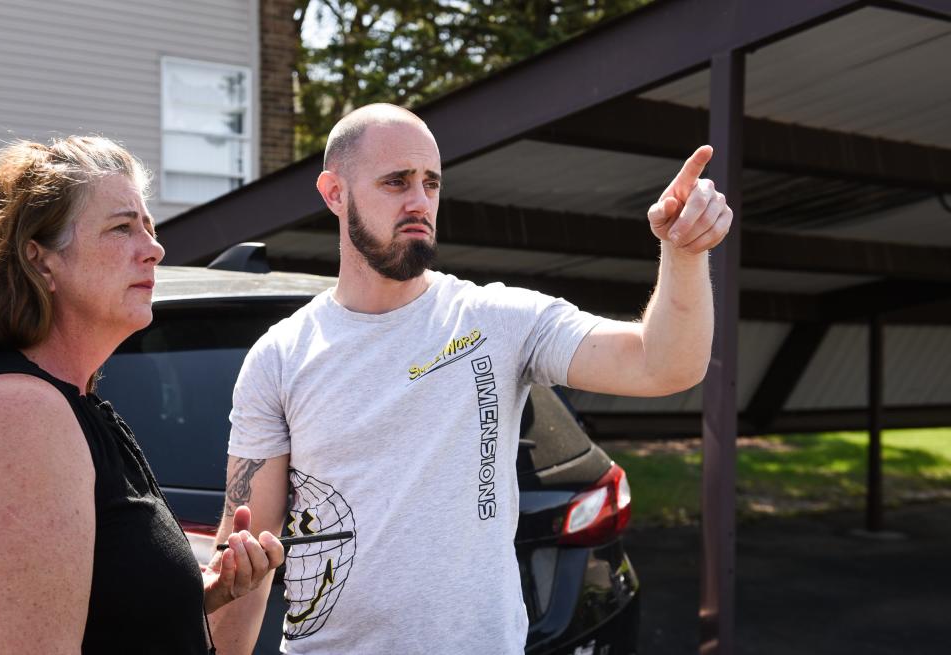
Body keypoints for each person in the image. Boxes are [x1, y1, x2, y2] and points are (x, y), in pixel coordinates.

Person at [209, 103, 732, 654]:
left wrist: (684, 253)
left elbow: (663, 364)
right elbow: (244, 552)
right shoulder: (281, 357)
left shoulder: (497, 319)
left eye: (431, 183)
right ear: (335, 193)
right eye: (396, 182)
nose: (420, 202)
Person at [0, 136, 285, 654]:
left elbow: (104, 615)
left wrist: (201, 595)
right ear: (41, 260)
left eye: (149, 227)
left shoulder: (82, 405)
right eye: (122, 227)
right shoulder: (25, 410)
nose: (154, 248)